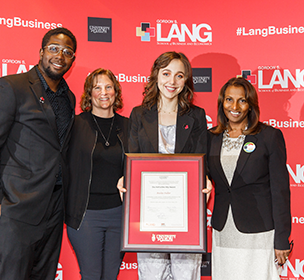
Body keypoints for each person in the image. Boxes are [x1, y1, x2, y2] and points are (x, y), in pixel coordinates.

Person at [0, 27, 77, 280]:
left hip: (54, 208)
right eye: (53, 48)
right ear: (41, 51)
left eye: (67, 52)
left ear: (73, 59)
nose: (59, 56)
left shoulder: (69, 98)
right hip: (16, 206)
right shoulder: (11, 87)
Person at [123, 51, 207, 279]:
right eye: (166, 73)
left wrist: (205, 181)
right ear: (156, 75)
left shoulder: (197, 116)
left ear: (186, 81)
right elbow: (132, 158)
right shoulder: (139, 114)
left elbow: (202, 160)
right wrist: (125, 179)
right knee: (151, 273)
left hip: (186, 209)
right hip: (148, 208)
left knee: (186, 273)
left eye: (179, 76)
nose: (172, 81)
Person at [205, 77, 291, 279]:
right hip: (223, 230)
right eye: (228, 99)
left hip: (258, 231)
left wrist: (281, 239)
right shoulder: (211, 137)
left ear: (250, 105)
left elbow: (280, 191)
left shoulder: (269, 136)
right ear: (221, 102)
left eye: (242, 100)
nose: (234, 106)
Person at [65, 68, 128, 280]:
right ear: (89, 93)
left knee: (111, 275)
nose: (104, 92)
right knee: (91, 275)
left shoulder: (128, 126)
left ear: (116, 92)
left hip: (120, 214)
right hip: (85, 215)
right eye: (97, 87)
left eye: (108, 87)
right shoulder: (75, 125)